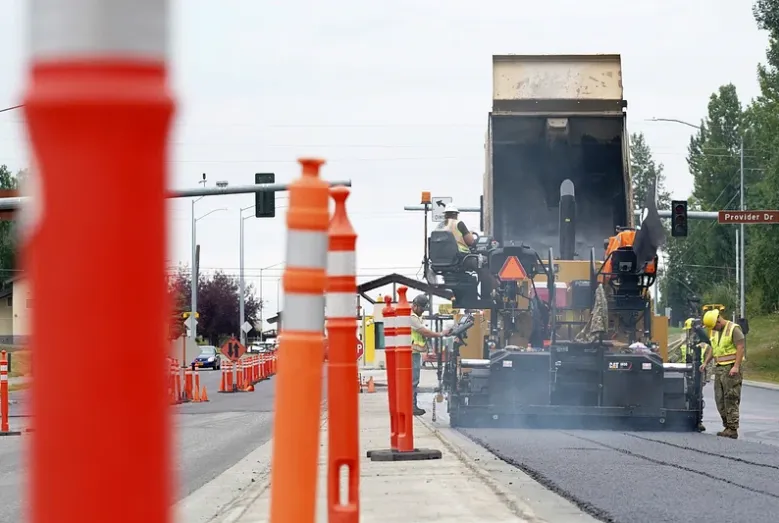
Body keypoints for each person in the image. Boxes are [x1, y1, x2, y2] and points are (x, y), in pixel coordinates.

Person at [701, 308, 745, 439]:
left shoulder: (734, 329)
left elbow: (741, 347)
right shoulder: (715, 332)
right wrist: (706, 362)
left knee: (730, 398)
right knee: (719, 399)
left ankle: (732, 428)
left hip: (731, 369)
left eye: (714, 326)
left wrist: (736, 366)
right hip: (719, 369)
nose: (713, 328)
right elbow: (713, 349)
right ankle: (727, 425)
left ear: (718, 320)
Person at [435, 204, 497, 298]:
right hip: (460, 259)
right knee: (483, 265)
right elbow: (471, 241)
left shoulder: (439, 226)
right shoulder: (458, 224)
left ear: (445, 215)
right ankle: (494, 289)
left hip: (440, 261)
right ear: (456, 215)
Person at [409, 294, 450, 416]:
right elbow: (424, 332)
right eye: (421, 308)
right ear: (415, 306)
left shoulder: (417, 316)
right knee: (413, 381)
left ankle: (411, 405)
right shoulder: (411, 317)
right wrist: (440, 334)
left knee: (413, 380)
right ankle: (411, 406)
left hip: (414, 353)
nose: (422, 311)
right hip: (411, 353)